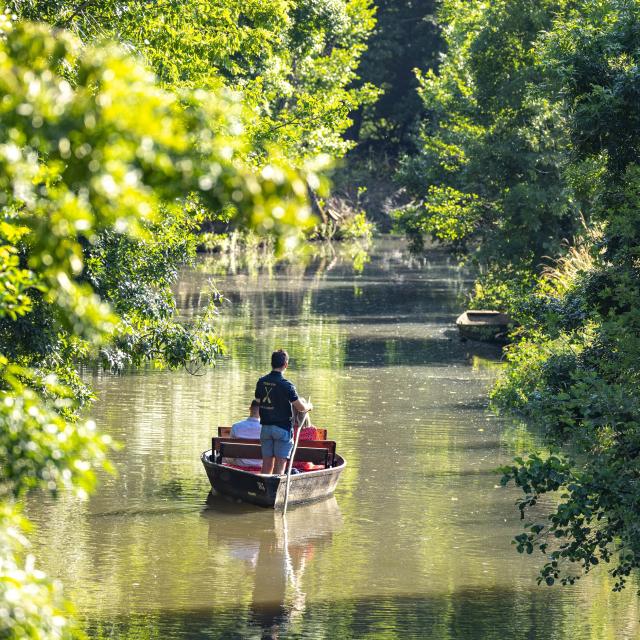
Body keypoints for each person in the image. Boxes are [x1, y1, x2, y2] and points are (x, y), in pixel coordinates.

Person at [255, 349, 312, 475]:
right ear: (285, 364)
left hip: (265, 428)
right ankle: (275, 492)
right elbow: (301, 408)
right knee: (280, 466)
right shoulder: (287, 385)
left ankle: (265, 491)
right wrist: (309, 406)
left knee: (267, 464)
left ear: (272, 363)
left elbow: (258, 401)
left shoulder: (261, 381)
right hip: (282, 430)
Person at [229, 400, 262, 468]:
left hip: (240, 463)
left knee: (221, 456)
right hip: (260, 464)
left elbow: (231, 448)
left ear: (250, 409)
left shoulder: (236, 426)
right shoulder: (265, 429)